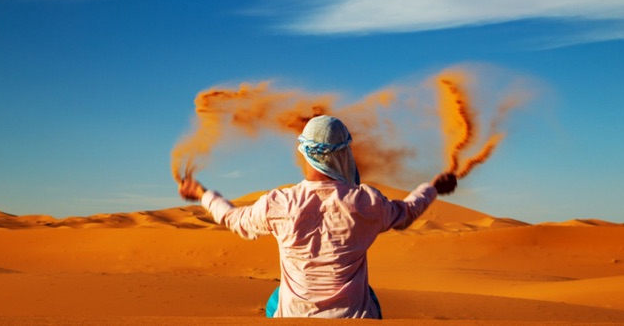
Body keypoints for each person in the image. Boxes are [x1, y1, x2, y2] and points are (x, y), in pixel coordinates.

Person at [178, 115, 457, 318]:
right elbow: (406, 213)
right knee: (370, 297)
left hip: (293, 315)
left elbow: (234, 219)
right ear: (345, 153)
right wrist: (432, 188)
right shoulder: (365, 202)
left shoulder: (279, 204)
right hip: (354, 317)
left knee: (275, 300)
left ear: (305, 154)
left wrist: (202, 193)